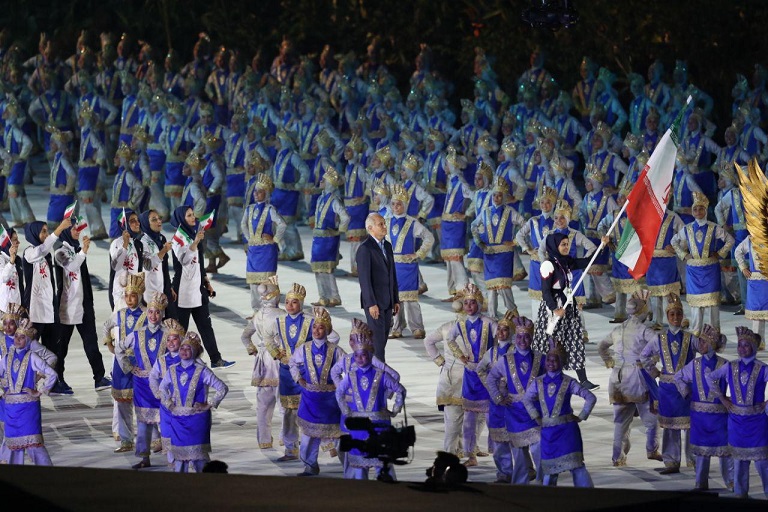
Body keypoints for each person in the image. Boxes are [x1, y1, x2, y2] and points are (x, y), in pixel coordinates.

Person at [335, 318, 406, 480]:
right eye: (357, 356)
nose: (360, 359)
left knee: (382, 463)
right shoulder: (351, 376)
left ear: (370, 355)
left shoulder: (381, 375)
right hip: (360, 427)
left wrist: (394, 409)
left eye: (364, 355)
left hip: (377, 426)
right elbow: (339, 392)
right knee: (360, 467)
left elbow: (400, 389)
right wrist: (346, 411)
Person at [532, 232, 604, 390]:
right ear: (554, 246)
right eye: (563, 244)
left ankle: (583, 380)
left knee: (575, 340)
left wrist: (602, 246)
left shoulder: (565, 262)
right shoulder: (548, 265)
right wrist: (554, 309)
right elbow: (546, 291)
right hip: (554, 310)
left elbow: (587, 262)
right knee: (550, 345)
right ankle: (541, 378)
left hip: (568, 307)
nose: (566, 247)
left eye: (567, 244)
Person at [597, 290, 661, 467]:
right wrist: (653, 363)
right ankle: (652, 448)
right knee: (651, 418)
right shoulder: (644, 330)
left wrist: (609, 361)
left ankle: (618, 457)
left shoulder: (618, 329)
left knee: (621, 422)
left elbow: (601, 346)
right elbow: (659, 346)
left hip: (617, 378)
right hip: (638, 377)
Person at [523, 339, 596, 487]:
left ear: (561, 362)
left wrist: (582, 416)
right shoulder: (538, 382)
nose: (551, 363)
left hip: (567, 432)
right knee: (550, 470)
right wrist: (535, 416)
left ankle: (587, 495)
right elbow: (526, 399)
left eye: (555, 360)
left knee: (576, 466)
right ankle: (550, 499)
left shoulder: (569, 382)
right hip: (548, 433)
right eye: (548, 360)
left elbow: (590, 397)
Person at [169, 205, 234, 369]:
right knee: (180, 330)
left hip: (197, 290)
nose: (193, 218)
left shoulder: (193, 235)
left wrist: (207, 282)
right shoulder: (178, 239)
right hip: (182, 291)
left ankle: (216, 359)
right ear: (181, 219)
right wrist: (196, 242)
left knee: (206, 327)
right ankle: (174, 362)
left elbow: (199, 264)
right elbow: (184, 260)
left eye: (193, 215)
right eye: (189, 215)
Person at [707, 325, 768, 499]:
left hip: (756, 422)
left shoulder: (762, 368)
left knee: (763, 463)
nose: (741, 348)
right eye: (740, 345)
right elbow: (710, 377)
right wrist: (723, 399)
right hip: (736, 421)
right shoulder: (730, 366)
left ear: (753, 347)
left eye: (746, 345)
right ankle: (741, 496)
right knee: (739, 461)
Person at [486, 315, 546, 485]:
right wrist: (498, 398)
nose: (522, 340)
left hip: (535, 410)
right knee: (518, 451)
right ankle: (520, 483)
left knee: (539, 447)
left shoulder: (541, 358)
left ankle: (543, 482)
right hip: (515, 412)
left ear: (531, 338)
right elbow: (491, 378)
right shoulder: (506, 360)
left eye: (526, 337)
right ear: (515, 338)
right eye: (519, 337)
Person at [673, 323, 733, 491]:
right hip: (700, 416)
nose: (700, 344)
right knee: (702, 453)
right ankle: (701, 483)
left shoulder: (724, 364)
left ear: (712, 344)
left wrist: (732, 399)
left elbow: (735, 384)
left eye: (704, 341)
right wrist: (687, 393)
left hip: (719, 416)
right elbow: (678, 377)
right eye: (700, 341)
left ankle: (732, 482)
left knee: (725, 451)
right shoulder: (695, 364)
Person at [639, 293, 695, 473]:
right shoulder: (659, 338)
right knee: (671, 426)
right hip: (668, 389)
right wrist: (655, 372)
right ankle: (671, 461)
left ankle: (695, 461)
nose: (676, 317)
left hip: (687, 387)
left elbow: (704, 352)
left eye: (678, 314)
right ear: (667, 316)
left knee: (692, 425)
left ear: (683, 315)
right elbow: (644, 356)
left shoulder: (690, 338)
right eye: (672, 314)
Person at [160, 331, 229, 473]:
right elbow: (162, 388)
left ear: (195, 352)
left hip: (197, 420)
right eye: (182, 348)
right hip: (178, 420)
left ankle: (204, 484)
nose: (184, 351)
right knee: (179, 460)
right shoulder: (172, 370)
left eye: (188, 348)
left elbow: (222, 388)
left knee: (199, 459)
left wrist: (208, 404)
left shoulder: (202, 371)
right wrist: (169, 404)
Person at [54, 222, 111, 392]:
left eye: (78, 228)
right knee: (61, 347)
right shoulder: (59, 251)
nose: (77, 231)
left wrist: (81, 250)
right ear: (65, 231)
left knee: (91, 343)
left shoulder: (76, 249)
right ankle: (57, 380)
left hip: (83, 305)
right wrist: (84, 251)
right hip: (67, 307)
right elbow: (72, 266)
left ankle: (99, 378)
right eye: (74, 229)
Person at [289, 306, 346, 476]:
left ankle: (351, 468)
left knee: (338, 435)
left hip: (330, 401)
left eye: (321, 327)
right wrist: (298, 379)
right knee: (308, 436)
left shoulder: (336, 350)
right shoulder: (304, 348)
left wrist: (341, 386)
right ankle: (310, 466)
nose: (316, 330)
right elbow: (292, 363)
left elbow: (349, 368)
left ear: (327, 330)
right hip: (310, 399)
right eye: (314, 327)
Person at [445, 283, 497, 467]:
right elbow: (449, 339)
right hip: (470, 375)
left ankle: (498, 453)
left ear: (479, 304)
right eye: (466, 303)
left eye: (472, 302)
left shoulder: (489, 322)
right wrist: (460, 355)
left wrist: (495, 360)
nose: (469, 306)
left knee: (492, 416)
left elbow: (503, 339)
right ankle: (471, 455)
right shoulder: (460, 324)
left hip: (487, 374)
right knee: (469, 418)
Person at [116, 291, 168, 469]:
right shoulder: (137, 334)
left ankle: (174, 456)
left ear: (162, 314)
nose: (153, 316)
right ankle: (144, 457)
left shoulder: (169, 334)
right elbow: (119, 349)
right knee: (143, 422)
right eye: (151, 312)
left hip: (162, 385)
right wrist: (130, 367)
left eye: (157, 312)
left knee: (167, 420)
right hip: (142, 385)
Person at [671, 191, 735, 335]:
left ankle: (714, 334)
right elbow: (673, 241)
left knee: (712, 304)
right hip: (694, 271)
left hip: (710, 270)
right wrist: (684, 255)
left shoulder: (713, 227)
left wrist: (719, 253)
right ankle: (696, 332)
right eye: (695, 209)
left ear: (706, 210)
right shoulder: (687, 229)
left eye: (701, 209)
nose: (698, 212)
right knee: (696, 304)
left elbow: (730, 240)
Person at [23, 218, 71, 394]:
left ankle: (55, 382)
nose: (46, 234)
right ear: (34, 233)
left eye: (46, 231)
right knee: (31, 350)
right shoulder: (30, 252)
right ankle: (27, 383)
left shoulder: (47, 255)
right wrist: (59, 229)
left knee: (54, 348)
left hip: (49, 309)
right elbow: (41, 249)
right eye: (43, 231)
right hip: (34, 310)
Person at [0, 319, 57, 465]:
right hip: (11, 409)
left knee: (34, 445)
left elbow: (52, 374)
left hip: (28, 409)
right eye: (16, 336)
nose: (18, 340)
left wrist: (40, 391)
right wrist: (5, 390)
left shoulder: (32, 356)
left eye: (22, 337)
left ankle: (48, 474)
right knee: (12, 446)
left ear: (28, 340)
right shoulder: (6, 358)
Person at [103, 272, 146, 453]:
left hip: (140, 364)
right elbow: (106, 326)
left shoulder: (147, 315)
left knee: (143, 404)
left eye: (133, 296)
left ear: (139, 296)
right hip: (121, 364)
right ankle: (126, 440)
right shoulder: (119, 314)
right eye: (126, 296)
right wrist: (109, 343)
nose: (129, 299)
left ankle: (148, 440)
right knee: (122, 403)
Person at [471, 177, 524, 319]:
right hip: (489, 254)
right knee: (491, 288)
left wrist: (515, 241)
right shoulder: (485, 212)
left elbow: (525, 225)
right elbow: (473, 225)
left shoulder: (510, 211)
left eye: (499, 195)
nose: (496, 198)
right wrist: (479, 242)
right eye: (494, 195)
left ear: (504, 196)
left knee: (503, 286)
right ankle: (492, 317)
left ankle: (512, 312)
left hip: (504, 255)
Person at [240, 276, 283, 450]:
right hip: (279, 360)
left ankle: (264, 439)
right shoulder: (282, 315)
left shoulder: (257, 316)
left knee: (263, 404)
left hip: (262, 361)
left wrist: (252, 348)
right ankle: (287, 437)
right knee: (285, 403)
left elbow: (245, 336)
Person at [387, 183, 434, 339]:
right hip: (392, 266)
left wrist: (418, 254)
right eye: (393, 204)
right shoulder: (386, 221)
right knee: (395, 298)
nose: (395, 207)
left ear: (405, 205)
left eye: (399, 204)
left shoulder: (412, 223)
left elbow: (429, 237)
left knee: (410, 299)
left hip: (407, 267)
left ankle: (417, 328)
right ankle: (397, 327)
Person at [422, 299, 467, 459]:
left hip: (457, 377)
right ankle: (450, 454)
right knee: (454, 421)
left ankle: (459, 450)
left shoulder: (448, 326)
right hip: (454, 380)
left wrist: (439, 360)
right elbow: (428, 341)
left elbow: (428, 341)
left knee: (459, 420)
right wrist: (440, 361)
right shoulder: (455, 328)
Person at [476, 311, 517, 483]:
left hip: (514, 400)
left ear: (511, 332)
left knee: (517, 438)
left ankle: (522, 471)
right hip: (497, 401)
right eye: (499, 328)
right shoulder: (491, 352)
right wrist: (492, 387)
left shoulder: (516, 350)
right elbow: (480, 369)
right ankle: (504, 472)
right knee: (499, 438)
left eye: (505, 329)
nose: (501, 332)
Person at [356, 212, 399, 362]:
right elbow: (364, 280)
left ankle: (376, 367)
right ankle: (378, 371)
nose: (384, 226)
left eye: (384, 223)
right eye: (381, 224)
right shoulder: (365, 249)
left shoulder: (387, 246)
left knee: (382, 341)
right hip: (375, 304)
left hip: (388, 301)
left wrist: (395, 299)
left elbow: (392, 274)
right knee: (377, 344)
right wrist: (371, 303)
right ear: (370, 228)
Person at [241, 173, 285, 311]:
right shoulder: (249, 209)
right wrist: (249, 238)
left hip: (267, 250)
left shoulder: (270, 209)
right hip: (254, 249)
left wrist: (275, 239)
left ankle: (270, 309)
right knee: (254, 282)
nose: (256, 194)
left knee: (268, 281)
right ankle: (257, 311)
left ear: (266, 194)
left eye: (260, 191)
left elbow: (282, 224)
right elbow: (243, 224)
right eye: (255, 191)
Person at [309, 166, 349, 307]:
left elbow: (345, 216)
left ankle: (334, 296)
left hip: (328, 239)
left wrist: (339, 230)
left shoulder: (334, 200)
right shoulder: (321, 198)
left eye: (324, 180)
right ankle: (323, 297)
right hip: (318, 239)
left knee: (327, 269)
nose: (321, 181)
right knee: (318, 269)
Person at [149, 318, 186, 466]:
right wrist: (158, 393)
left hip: (184, 404)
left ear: (181, 340)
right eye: (168, 339)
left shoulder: (187, 358)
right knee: (167, 434)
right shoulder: (162, 360)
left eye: (174, 339)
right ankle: (173, 463)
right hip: (166, 405)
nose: (170, 343)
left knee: (182, 434)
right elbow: (153, 377)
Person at [138, 210, 174, 315]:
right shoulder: (141, 241)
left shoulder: (161, 238)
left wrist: (169, 287)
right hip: (148, 290)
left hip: (162, 288)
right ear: (146, 223)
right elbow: (148, 265)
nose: (159, 221)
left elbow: (164, 267)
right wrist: (164, 250)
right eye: (154, 220)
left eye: (159, 218)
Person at [108, 209, 143, 312]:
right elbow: (116, 266)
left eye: (137, 220)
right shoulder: (116, 243)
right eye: (132, 221)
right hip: (121, 294)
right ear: (124, 225)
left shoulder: (138, 244)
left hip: (135, 293)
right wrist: (125, 245)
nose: (137, 223)